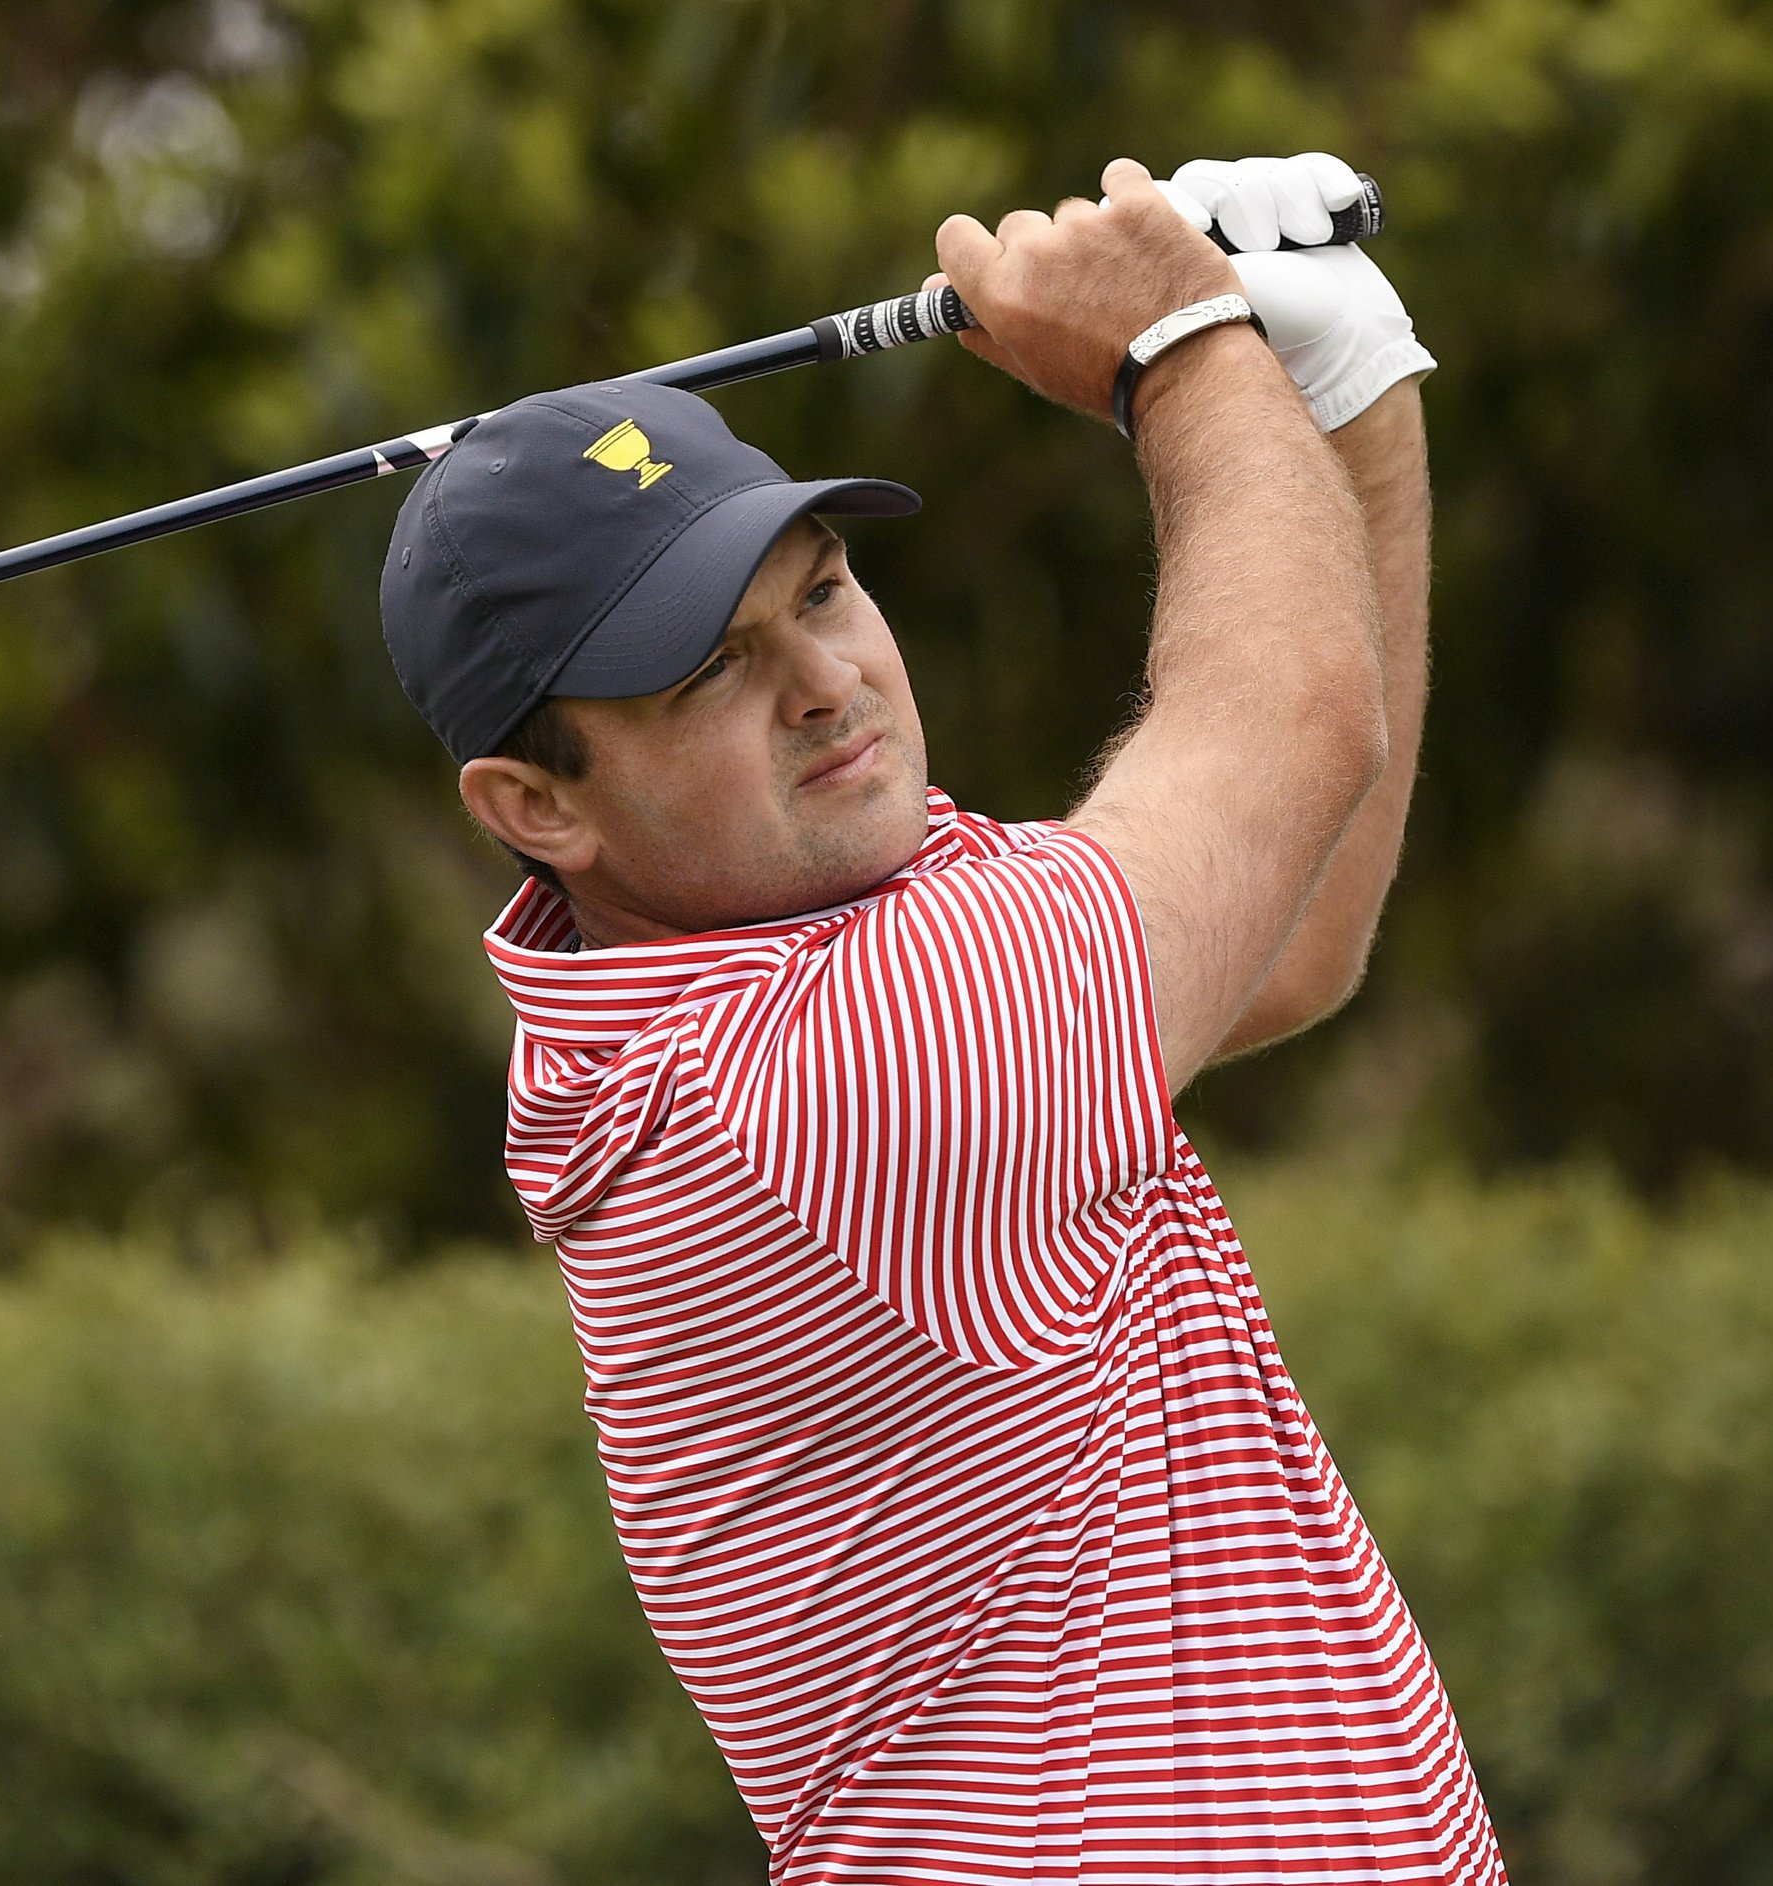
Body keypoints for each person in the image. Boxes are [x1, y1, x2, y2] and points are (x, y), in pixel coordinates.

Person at [378, 155, 1494, 1884]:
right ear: (538, 808)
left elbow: (1288, 935)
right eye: (707, 672)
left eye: (819, 591)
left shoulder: (803, 937)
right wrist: (1184, 350)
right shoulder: (817, 1080)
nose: (825, 683)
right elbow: (1293, 730)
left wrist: (1340, 399)